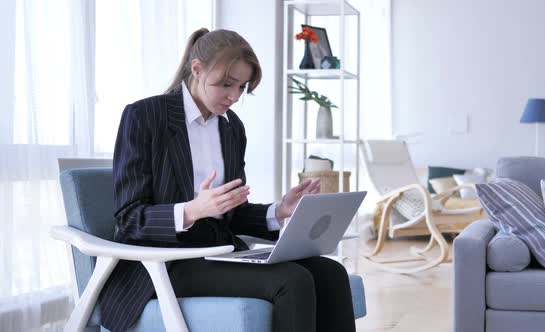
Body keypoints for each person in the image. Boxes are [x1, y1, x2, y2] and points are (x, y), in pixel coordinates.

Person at [99, 28, 356, 332]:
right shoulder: (145, 116)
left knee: (331, 272)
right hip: (165, 262)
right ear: (197, 69)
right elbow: (129, 217)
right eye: (226, 84)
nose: (234, 96)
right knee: (293, 281)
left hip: (220, 253)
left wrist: (281, 210)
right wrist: (192, 210)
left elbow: (230, 214)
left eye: (242, 86)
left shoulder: (231, 128)